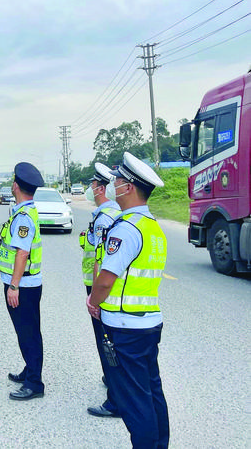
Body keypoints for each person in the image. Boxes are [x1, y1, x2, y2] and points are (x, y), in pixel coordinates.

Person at [87, 152, 169, 448]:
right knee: (151, 391)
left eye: (118, 180)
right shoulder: (153, 228)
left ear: (129, 188)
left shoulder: (126, 229)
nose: (113, 185)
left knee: (135, 402)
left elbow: (106, 278)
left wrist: (94, 302)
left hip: (125, 326)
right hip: (148, 322)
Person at [0, 162, 45, 400]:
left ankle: (35, 383)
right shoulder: (22, 211)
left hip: (23, 286)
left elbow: (22, 253)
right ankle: (29, 370)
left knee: (29, 332)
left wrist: (13, 286)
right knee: (25, 331)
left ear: (15, 186)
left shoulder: (24, 217)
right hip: (22, 283)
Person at [79, 163, 121, 418]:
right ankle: (112, 378)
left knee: (105, 340)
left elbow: (101, 258)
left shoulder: (105, 216)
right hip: (101, 285)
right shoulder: (109, 213)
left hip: (99, 287)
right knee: (108, 339)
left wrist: (95, 295)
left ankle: (115, 400)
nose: (90, 189)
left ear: (101, 188)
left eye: (93, 185)